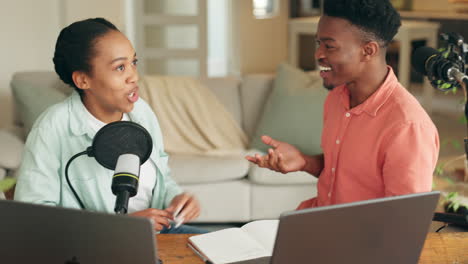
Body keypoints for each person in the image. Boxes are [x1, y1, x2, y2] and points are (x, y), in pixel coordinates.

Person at [14, 18, 203, 234]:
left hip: (159, 234)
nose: (134, 76)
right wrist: (123, 228)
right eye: (120, 67)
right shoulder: (52, 127)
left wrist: (176, 198)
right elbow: (34, 219)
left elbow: (162, 175)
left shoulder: (141, 112)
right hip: (94, 245)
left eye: (134, 62)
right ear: (83, 80)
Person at [246, 0, 439, 209]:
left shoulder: (408, 127)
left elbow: (405, 220)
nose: (318, 54)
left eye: (329, 46)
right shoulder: (337, 98)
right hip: (318, 223)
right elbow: (344, 171)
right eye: (318, 43)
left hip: (358, 239)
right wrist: (304, 161)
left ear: (368, 50)